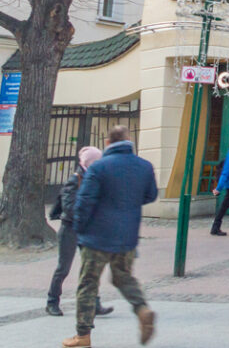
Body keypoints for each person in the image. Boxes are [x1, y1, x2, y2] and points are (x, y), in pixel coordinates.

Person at [64, 125, 157, 348]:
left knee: (88, 283)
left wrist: (80, 228)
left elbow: (85, 202)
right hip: (126, 237)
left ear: (107, 143)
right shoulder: (144, 166)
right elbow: (151, 195)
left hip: (96, 237)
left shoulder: (99, 168)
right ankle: (142, 309)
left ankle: (83, 335)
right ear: (129, 141)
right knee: (123, 277)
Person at [47, 147, 113, 318]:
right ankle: (52, 302)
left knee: (91, 267)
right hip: (70, 229)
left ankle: (95, 304)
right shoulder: (74, 180)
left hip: (88, 230)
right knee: (63, 268)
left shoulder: (96, 179)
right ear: (89, 163)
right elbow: (69, 208)